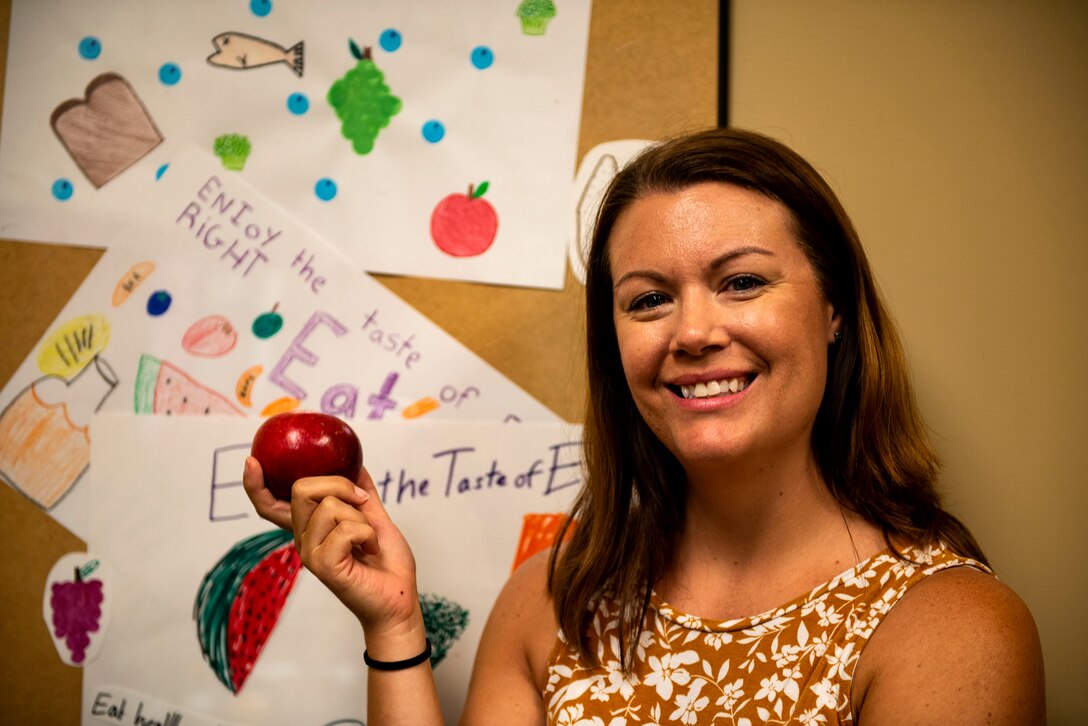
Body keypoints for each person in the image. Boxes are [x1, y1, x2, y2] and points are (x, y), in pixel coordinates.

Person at [244, 127, 1046, 724]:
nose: (692, 332)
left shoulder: (952, 631)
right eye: (648, 299)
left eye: (740, 282)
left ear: (833, 309)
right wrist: (391, 620)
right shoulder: (550, 602)